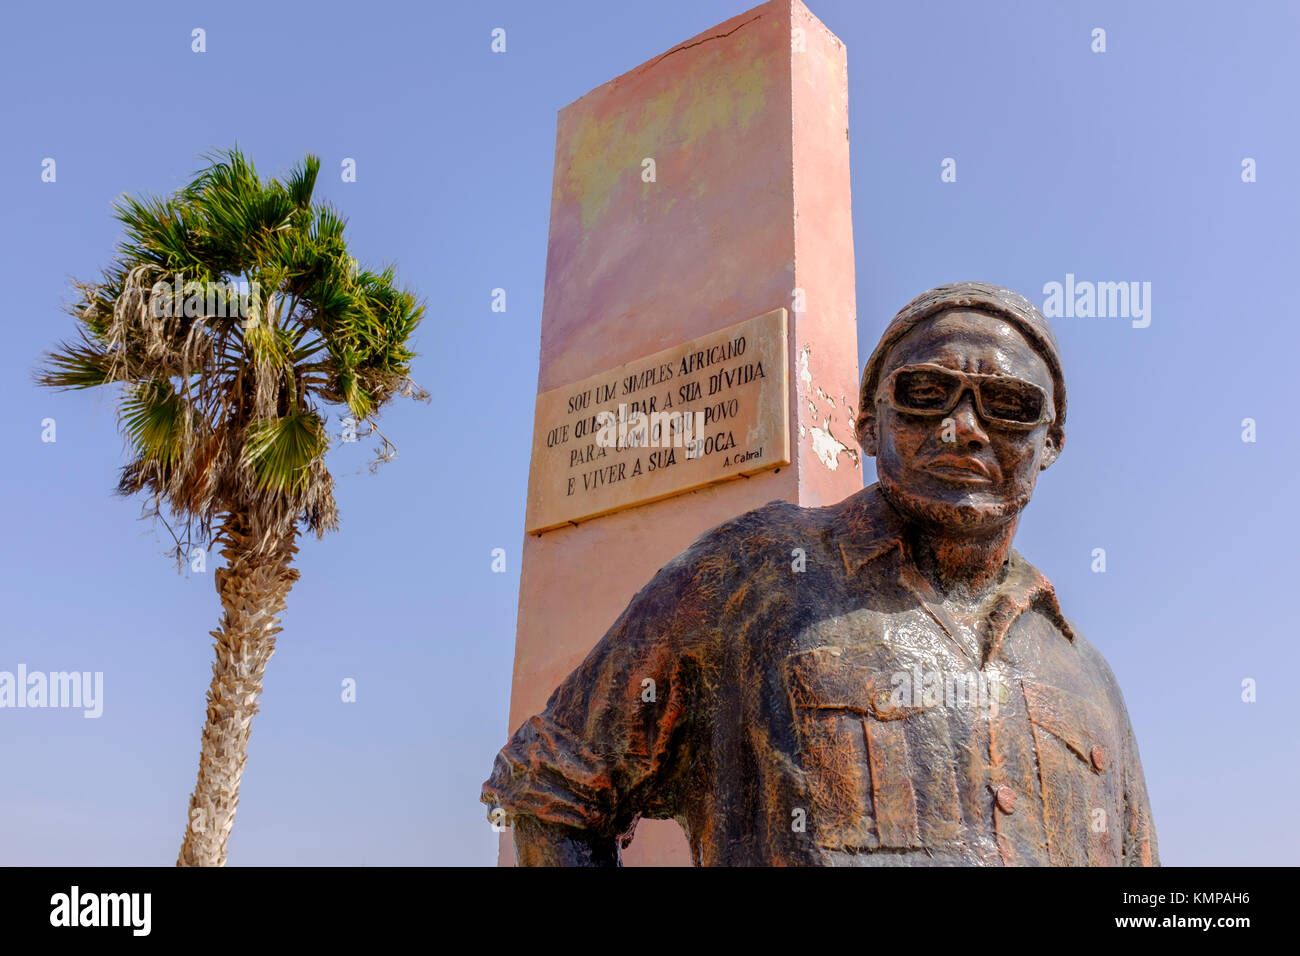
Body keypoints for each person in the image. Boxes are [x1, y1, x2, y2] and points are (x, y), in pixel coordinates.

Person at [482, 281, 1159, 866]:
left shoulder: (1085, 673)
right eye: (926, 393)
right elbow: (552, 786)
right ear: (867, 425)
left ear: (1052, 444)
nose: (963, 428)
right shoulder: (756, 569)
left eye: (1008, 405)